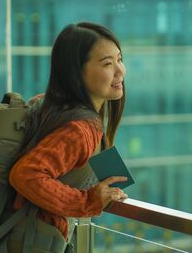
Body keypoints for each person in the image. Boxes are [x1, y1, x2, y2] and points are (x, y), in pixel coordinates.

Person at [8, 22, 128, 252]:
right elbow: (26, 174)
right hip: (35, 240)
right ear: (77, 72)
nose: (120, 71)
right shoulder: (79, 129)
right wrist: (88, 201)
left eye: (120, 59)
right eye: (107, 63)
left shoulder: (49, 103)